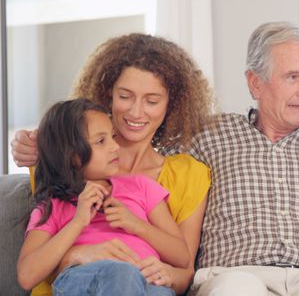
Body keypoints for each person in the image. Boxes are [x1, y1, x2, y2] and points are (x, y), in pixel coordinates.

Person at [176, 21, 299, 296]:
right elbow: (150, 175)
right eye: (293, 77)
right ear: (255, 83)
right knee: (237, 288)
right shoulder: (206, 138)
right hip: (233, 273)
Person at [11, 33, 214, 295]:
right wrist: (78, 252)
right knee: (120, 274)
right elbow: (30, 271)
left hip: (147, 283)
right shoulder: (63, 173)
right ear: (109, 94)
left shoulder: (178, 177)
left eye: (152, 101)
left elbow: (184, 264)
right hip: (82, 282)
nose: (136, 112)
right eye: (125, 96)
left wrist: (159, 268)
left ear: (171, 104)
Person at [17, 99, 189, 296]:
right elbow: (27, 275)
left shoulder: (141, 187)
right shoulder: (53, 205)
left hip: (147, 282)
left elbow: (182, 256)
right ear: (73, 155)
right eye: (101, 141)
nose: (115, 146)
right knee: (122, 273)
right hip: (86, 279)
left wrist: (136, 224)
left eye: (113, 137)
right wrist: (78, 221)